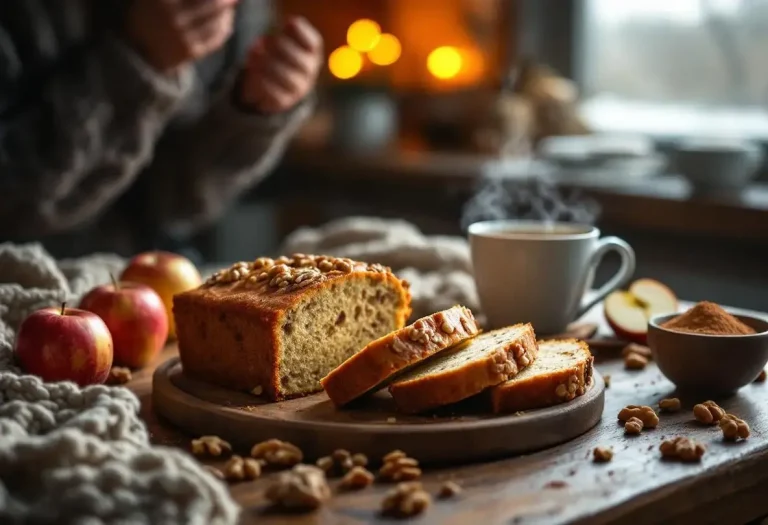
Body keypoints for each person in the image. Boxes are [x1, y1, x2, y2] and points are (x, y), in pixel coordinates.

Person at [0, 0, 322, 258]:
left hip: (145, 287)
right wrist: (137, 63)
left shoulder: (237, 12)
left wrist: (251, 108)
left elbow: (170, 203)